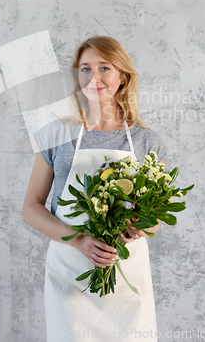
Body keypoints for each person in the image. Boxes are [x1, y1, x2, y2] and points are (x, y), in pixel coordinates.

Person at [22, 36, 167, 341]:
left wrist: (140, 226)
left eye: (105, 68)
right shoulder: (56, 135)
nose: (94, 77)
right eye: (85, 69)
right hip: (69, 273)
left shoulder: (145, 142)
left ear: (122, 79)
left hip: (126, 277)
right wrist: (79, 241)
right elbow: (31, 207)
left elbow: (156, 216)